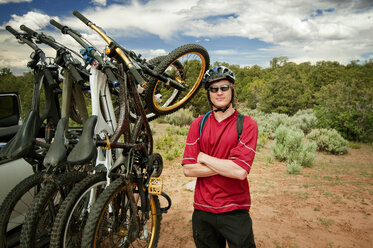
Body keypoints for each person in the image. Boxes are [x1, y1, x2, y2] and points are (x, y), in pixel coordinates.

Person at [182, 66, 258, 248]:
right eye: (214, 89)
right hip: (202, 211)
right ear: (209, 93)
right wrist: (227, 166)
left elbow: (240, 172)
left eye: (224, 87)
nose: (219, 93)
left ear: (232, 90)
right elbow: (188, 169)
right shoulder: (197, 124)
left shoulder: (247, 125)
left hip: (235, 210)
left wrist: (204, 157)